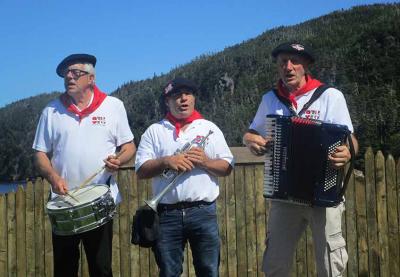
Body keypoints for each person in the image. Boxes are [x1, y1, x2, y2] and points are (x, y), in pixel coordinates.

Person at [243, 42, 359, 277]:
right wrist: (250, 140)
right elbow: (252, 132)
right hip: (284, 194)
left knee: (329, 264)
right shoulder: (270, 99)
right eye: (282, 62)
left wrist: (348, 152)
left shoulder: (330, 96)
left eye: (294, 61)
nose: (288, 66)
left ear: (306, 65)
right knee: (274, 263)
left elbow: (351, 140)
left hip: (323, 194)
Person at [32, 53, 136, 277]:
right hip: (62, 203)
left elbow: (129, 147)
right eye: (66, 74)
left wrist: (119, 159)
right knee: (64, 269)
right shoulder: (51, 111)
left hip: (99, 202)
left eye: (76, 73)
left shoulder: (113, 106)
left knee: (101, 267)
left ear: (91, 78)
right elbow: (40, 153)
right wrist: (53, 177)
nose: (69, 77)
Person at [135, 77, 234, 277]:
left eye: (187, 94)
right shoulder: (154, 131)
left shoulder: (210, 128)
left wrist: (205, 162)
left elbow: (227, 167)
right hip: (167, 214)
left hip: (203, 212)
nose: (183, 99)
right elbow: (141, 171)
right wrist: (166, 161)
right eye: (176, 96)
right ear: (167, 102)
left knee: (209, 271)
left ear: (194, 98)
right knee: (169, 272)